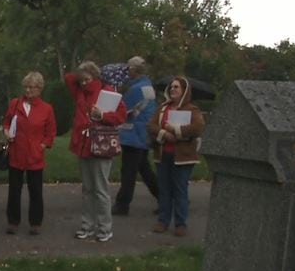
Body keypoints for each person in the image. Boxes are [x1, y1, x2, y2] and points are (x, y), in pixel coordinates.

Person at [65, 61, 127, 242]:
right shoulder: (80, 93)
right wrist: (81, 72)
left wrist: (104, 116)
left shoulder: (108, 93)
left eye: (87, 79)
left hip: (101, 146)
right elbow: (68, 79)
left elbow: (121, 116)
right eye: (81, 80)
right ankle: (87, 225)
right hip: (83, 145)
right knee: (87, 189)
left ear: (95, 77)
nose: (83, 83)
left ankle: (105, 228)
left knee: (101, 189)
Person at [147, 76, 205, 237]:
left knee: (180, 190)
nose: (172, 89)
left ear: (184, 91)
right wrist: (164, 133)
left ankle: (180, 224)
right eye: (171, 87)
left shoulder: (192, 110)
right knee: (164, 190)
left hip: (183, 157)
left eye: (176, 87)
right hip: (163, 154)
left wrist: (177, 132)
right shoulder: (162, 108)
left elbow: (197, 128)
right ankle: (163, 221)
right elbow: (151, 125)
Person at [2, 71, 56, 235]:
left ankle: (35, 222)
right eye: (25, 87)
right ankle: (13, 221)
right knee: (14, 190)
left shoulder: (46, 109)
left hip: (35, 154)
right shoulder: (15, 104)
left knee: (36, 190)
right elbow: (6, 122)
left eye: (31, 87)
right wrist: (6, 133)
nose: (27, 91)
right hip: (16, 152)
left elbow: (51, 132)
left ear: (40, 88)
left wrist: (43, 145)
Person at [112, 56, 159, 216]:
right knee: (144, 170)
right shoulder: (147, 87)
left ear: (134, 69)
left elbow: (123, 110)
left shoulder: (135, 89)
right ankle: (164, 198)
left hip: (133, 135)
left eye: (128, 68)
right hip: (142, 134)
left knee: (129, 171)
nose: (127, 71)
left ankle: (122, 204)